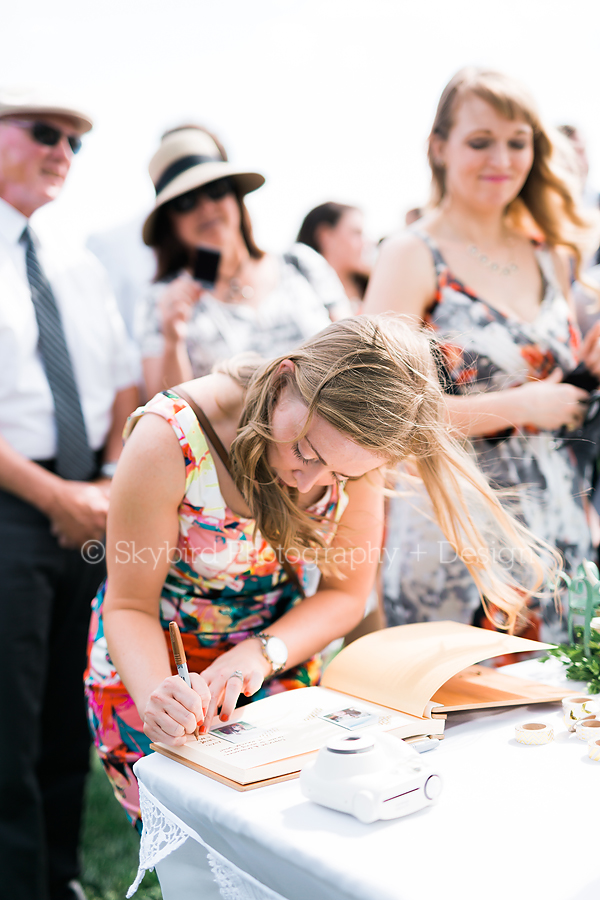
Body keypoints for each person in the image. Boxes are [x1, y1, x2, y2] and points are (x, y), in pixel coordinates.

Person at [85, 314, 554, 832]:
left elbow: (345, 594)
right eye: (305, 450)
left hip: (279, 664)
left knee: (294, 837)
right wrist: (163, 698)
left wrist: (261, 653)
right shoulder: (169, 437)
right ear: (284, 378)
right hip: (152, 670)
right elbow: (129, 607)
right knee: (195, 850)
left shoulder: (359, 447)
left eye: (340, 475)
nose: (310, 479)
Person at [363, 67, 600, 642]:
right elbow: (369, 414)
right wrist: (525, 404)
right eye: (480, 141)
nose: (502, 158)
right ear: (438, 148)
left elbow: (567, 401)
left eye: (518, 142)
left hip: (561, 541)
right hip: (457, 547)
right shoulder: (412, 256)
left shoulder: (553, 254)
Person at [0, 87, 138, 900]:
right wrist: (55, 494)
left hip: (89, 504)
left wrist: (107, 483)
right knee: (8, 727)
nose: (63, 152)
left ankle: (61, 880)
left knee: (67, 715)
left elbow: (121, 385)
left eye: (75, 143)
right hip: (15, 509)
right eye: (46, 133)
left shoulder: (76, 261)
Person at [138, 126, 347, 398]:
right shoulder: (161, 300)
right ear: (170, 222)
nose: (206, 207)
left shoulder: (301, 263)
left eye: (216, 189)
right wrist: (172, 340)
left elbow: (352, 351)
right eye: (185, 201)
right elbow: (167, 414)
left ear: (236, 196)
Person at [296, 201, 373, 309]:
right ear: (325, 236)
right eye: (357, 233)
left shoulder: (375, 288)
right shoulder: (298, 295)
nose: (367, 242)